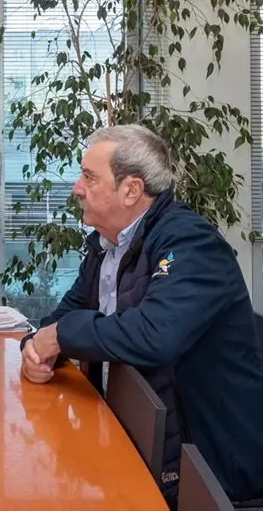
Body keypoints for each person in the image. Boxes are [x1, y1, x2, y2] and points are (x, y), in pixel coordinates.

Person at [18, 124, 263, 508]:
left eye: (88, 177)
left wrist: (61, 336)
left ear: (131, 190)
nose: (76, 188)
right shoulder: (107, 245)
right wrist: (35, 348)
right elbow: (63, 315)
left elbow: (155, 336)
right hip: (133, 440)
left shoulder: (191, 243)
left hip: (207, 469)